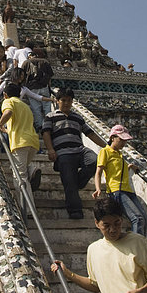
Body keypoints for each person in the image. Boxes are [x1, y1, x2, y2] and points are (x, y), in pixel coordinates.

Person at [42, 88, 105, 219]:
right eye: (63, 100)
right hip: (63, 153)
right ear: (57, 101)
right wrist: (50, 149)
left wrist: (107, 146)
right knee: (69, 181)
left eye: (69, 101)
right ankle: (75, 210)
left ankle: (77, 182)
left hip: (80, 150)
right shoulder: (50, 117)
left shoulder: (77, 117)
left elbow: (90, 133)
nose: (66, 103)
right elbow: (46, 133)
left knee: (94, 160)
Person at [0, 83, 40, 210]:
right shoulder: (25, 106)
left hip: (20, 143)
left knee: (19, 177)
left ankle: (28, 209)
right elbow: (20, 126)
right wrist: (4, 130)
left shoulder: (8, 101)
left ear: (5, 94)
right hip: (32, 142)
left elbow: (8, 112)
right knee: (22, 170)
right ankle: (31, 168)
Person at [93, 124, 147, 236]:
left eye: (125, 140)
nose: (123, 143)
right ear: (113, 138)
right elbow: (98, 172)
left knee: (144, 216)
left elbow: (117, 169)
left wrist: (130, 167)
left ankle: (142, 241)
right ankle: (136, 244)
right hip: (116, 190)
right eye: (121, 139)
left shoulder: (120, 154)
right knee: (137, 218)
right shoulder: (105, 152)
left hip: (128, 189)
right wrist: (98, 188)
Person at [21, 51, 54, 131]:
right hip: (44, 87)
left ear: (29, 56)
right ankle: (48, 125)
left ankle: (39, 125)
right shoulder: (45, 61)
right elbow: (50, 76)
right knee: (47, 106)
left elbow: (22, 75)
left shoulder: (26, 62)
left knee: (35, 108)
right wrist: (48, 86)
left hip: (32, 88)